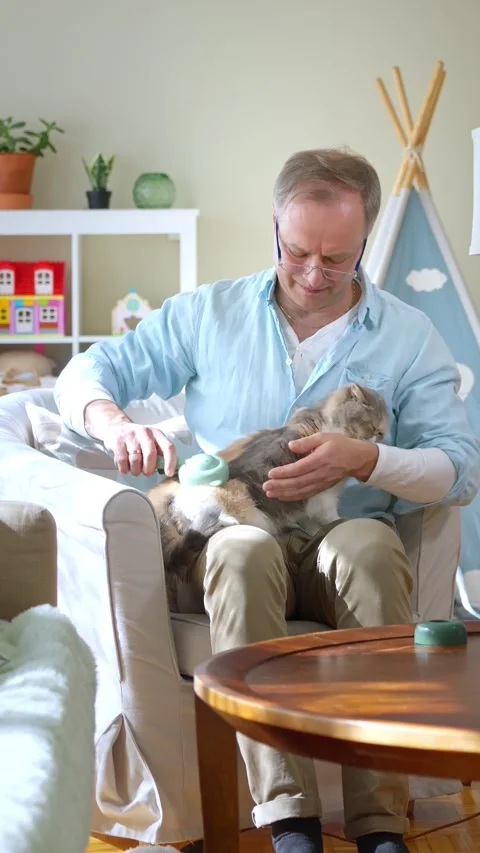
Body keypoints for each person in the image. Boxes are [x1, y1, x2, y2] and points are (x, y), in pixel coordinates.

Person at [54, 148, 480, 853]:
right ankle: (289, 819)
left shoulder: (409, 336)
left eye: (337, 260)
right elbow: (88, 371)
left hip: (342, 537)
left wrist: (367, 458)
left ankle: (379, 823)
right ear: (275, 227)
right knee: (244, 552)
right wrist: (112, 420)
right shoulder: (208, 313)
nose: (314, 276)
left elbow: (460, 469)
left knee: (371, 547)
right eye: (298, 252)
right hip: (232, 533)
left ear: (365, 241)